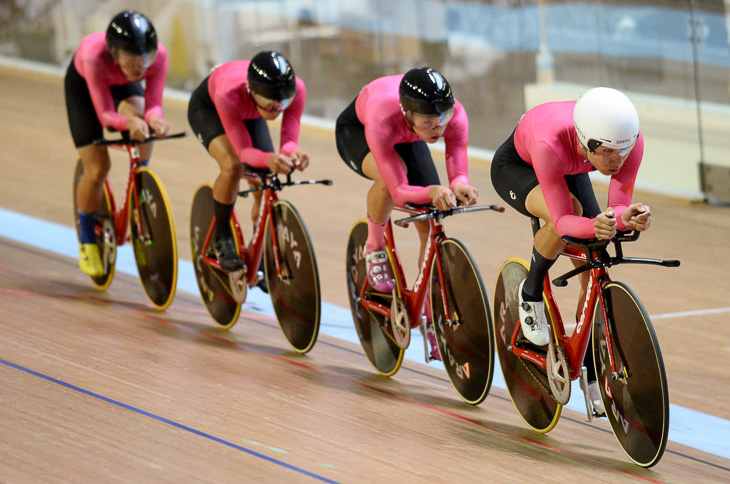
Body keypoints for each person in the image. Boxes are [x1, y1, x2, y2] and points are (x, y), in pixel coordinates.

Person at [490, 86, 652, 415]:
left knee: (596, 248)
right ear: (585, 142)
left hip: (572, 165)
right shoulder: (549, 143)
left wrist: (630, 216)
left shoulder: (625, 143)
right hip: (521, 167)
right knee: (571, 212)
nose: (617, 160)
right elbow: (565, 220)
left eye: (623, 151)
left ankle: (588, 357)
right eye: (607, 153)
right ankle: (530, 290)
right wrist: (595, 225)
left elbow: (616, 209)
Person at [335, 66, 479, 359]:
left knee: (430, 220)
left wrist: (460, 184)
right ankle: (374, 247)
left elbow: (457, 161)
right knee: (388, 184)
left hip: (408, 137)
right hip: (359, 134)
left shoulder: (452, 115)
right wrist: (432, 191)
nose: (438, 127)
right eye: (429, 121)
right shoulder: (382, 118)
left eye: (443, 119)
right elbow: (399, 189)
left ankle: (429, 317)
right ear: (409, 115)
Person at [187, 50, 308, 291]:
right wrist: (269, 158)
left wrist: (292, 152)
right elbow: (243, 152)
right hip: (210, 108)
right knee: (232, 166)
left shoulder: (293, 92)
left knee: (266, 181)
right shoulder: (229, 93)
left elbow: (288, 139)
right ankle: (222, 237)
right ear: (252, 93)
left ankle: (258, 248)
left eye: (284, 104)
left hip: (249, 110)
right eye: (272, 105)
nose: (277, 110)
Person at [65, 10, 169, 277]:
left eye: (146, 57)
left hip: (121, 82)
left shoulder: (157, 58)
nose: (141, 65)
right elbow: (106, 117)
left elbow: (154, 104)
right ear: (113, 53)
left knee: (144, 124)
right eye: (133, 58)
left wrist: (154, 119)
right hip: (87, 89)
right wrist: (128, 124)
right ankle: (87, 242)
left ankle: (140, 176)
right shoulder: (94, 57)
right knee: (97, 169)